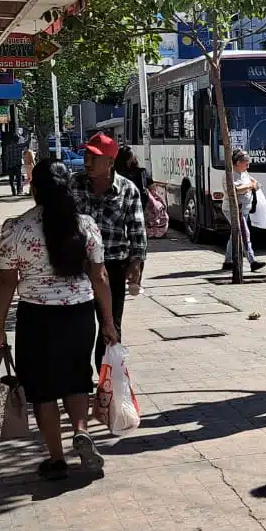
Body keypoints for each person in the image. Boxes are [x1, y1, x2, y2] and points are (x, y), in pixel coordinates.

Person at [0, 160, 117, 480]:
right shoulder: (86, 225)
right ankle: (80, 431)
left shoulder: (16, 228)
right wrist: (108, 321)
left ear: (34, 190)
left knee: (43, 389)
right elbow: (100, 276)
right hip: (79, 315)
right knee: (77, 378)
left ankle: (56, 458)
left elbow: (6, 282)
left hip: (37, 318)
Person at [71, 133, 147, 364]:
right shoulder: (74, 184)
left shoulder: (127, 189)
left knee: (111, 324)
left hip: (112, 267)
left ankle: (108, 378)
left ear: (110, 161)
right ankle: (80, 380)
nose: (87, 161)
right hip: (79, 268)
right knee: (80, 327)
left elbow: (136, 229)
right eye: (86, 155)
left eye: (94, 157)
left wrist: (136, 263)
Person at [114, 145, 152, 294]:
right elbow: (149, 189)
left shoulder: (116, 173)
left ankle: (123, 278)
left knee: (123, 246)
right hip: (138, 212)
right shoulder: (140, 172)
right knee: (138, 245)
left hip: (119, 215)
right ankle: (136, 282)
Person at [223, 150, 266, 272]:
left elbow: (255, 183)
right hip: (235, 209)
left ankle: (228, 261)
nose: (248, 166)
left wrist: (253, 185)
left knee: (236, 234)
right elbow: (234, 189)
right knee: (244, 234)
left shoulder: (244, 173)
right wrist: (249, 187)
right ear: (237, 163)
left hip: (244, 209)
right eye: (246, 164)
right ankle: (252, 261)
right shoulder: (230, 175)